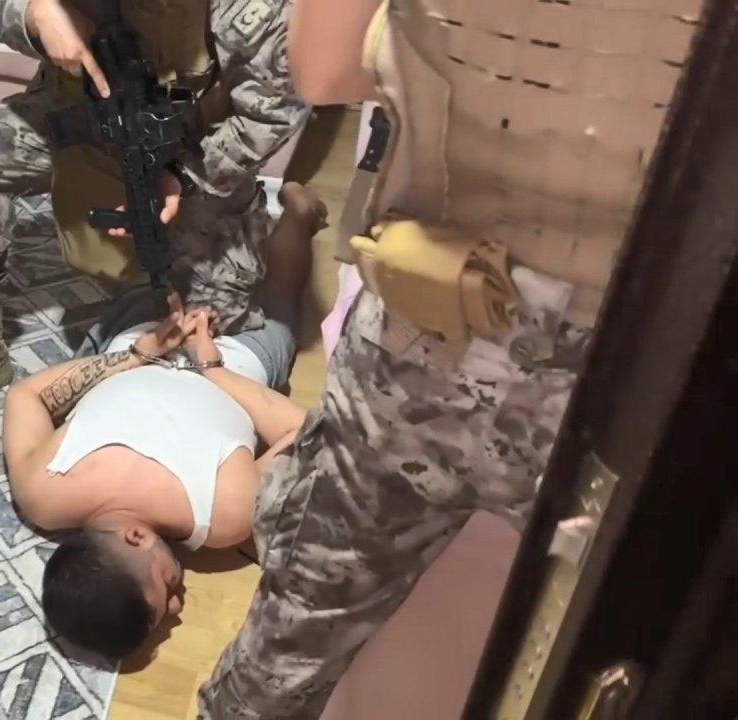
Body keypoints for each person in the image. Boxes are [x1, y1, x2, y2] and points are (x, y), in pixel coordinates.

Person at [197, 0, 681, 716]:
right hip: (636, 387)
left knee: (288, 650)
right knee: (604, 667)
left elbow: (323, 70)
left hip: (422, 353)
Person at [0, 0, 308, 408]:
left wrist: (186, 176)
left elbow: (275, 111)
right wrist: (35, 13)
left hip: (190, 142)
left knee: (208, 328)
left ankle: (297, 218)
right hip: (73, 110)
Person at [2, 184, 327, 658]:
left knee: (272, 295)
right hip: (213, 352)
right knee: (232, 289)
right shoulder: (41, 495)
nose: (177, 607)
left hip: (164, 342)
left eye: (164, 593)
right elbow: (307, 431)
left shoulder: (221, 517)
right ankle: (292, 214)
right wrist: (204, 363)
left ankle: (287, 212)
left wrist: (146, 355)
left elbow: (306, 430)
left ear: (135, 537)